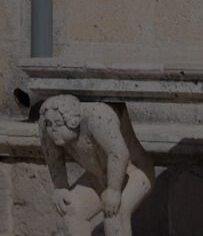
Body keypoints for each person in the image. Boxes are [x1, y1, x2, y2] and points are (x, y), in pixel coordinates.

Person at [39, 95, 155, 236]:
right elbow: (53, 157)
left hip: (134, 169)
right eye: (49, 124)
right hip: (99, 175)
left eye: (58, 123)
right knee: (70, 209)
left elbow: (119, 153)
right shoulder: (47, 120)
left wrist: (113, 191)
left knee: (114, 213)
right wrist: (61, 187)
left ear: (73, 121)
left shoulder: (97, 116)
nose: (52, 129)